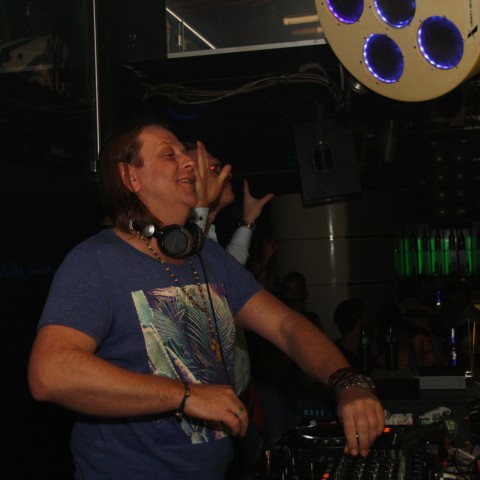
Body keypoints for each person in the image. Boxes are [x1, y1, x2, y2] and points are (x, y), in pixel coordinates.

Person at [27, 118, 385, 480]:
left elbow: (287, 326)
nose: (188, 161)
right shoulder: (96, 262)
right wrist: (186, 395)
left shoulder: (208, 258)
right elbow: (50, 373)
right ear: (131, 177)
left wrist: (347, 383)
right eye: (169, 155)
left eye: (184, 153)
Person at [187, 141, 274, 477]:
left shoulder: (207, 236)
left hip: (239, 394)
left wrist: (248, 222)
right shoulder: (180, 242)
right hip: (209, 407)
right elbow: (193, 276)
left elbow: (226, 275)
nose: (226, 172)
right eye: (213, 169)